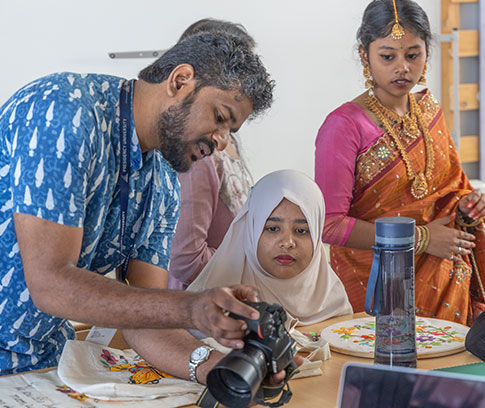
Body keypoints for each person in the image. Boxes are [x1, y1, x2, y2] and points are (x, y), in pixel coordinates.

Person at [0, 31, 275, 376]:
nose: (221, 142)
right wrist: (191, 308)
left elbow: (142, 319)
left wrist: (222, 369)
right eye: (220, 117)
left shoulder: (162, 183)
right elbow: (51, 284)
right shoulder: (64, 112)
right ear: (180, 81)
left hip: (41, 365)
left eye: (230, 131)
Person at [315, 0, 485, 326]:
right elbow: (330, 225)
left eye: (412, 54)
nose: (402, 68)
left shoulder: (429, 110)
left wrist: (466, 207)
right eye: (387, 56)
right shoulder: (343, 126)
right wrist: (421, 239)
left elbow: (449, 189)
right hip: (378, 282)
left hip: (445, 273)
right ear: (365, 55)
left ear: (427, 52)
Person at [188, 169, 353, 325]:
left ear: (316, 238)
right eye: (273, 229)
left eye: (301, 231)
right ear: (251, 230)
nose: (288, 242)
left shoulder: (332, 301)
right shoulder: (215, 302)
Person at [169, 19, 255, 290]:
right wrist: (255, 269)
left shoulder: (227, 139)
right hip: (202, 301)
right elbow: (187, 260)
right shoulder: (201, 154)